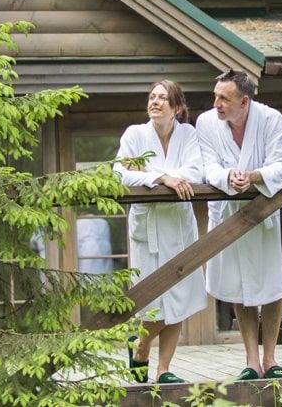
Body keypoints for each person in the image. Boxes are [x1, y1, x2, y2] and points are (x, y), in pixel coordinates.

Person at [195, 69, 282, 380]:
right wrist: (229, 177)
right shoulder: (206, 122)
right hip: (228, 214)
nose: (217, 104)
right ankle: (251, 360)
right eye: (215, 97)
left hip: (264, 212)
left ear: (244, 101)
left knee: (273, 285)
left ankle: (271, 358)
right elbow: (207, 166)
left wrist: (253, 176)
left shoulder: (271, 119)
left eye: (224, 99)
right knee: (238, 286)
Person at [114, 80, 206, 384]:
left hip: (179, 226)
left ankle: (163, 369)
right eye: (152, 97)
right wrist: (164, 178)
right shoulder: (134, 134)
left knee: (179, 298)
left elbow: (196, 172)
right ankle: (141, 348)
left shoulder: (188, 134)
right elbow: (121, 173)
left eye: (162, 98)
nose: (154, 102)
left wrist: (147, 174)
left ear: (176, 108)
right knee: (153, 300)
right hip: (148, 227)